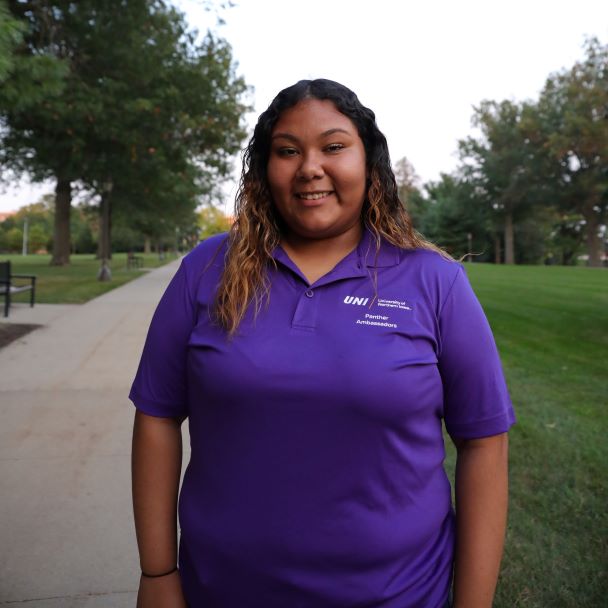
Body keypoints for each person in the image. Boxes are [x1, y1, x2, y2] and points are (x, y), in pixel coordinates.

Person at [130, 79, 515, 608]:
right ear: (265, 170)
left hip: (397, 594)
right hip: (220, 590)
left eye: (334, 147)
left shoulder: (435, 282)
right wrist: (157, 574)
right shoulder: (206, 269)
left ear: (369, 163)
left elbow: (485, 443)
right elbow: (156, 414)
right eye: (288, 151)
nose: (310, 167)